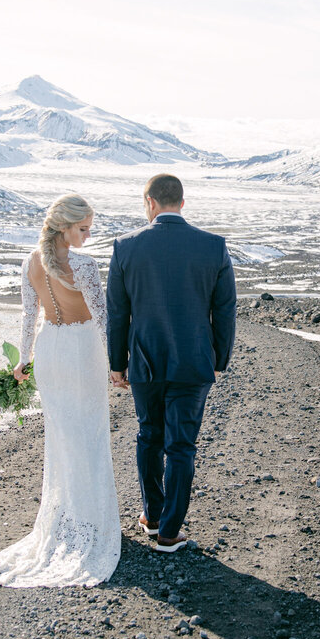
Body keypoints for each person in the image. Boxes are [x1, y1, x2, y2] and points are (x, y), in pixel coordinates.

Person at [0, 194, 120, 587]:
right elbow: (103, 316)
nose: (88, 236)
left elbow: (29, 314)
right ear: (64, 226)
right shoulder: (84, 266)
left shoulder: (30, 261)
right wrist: (116, 365)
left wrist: (23, 359)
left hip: (50, 348)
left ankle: (67, 521)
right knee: (88, 434)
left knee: (62, 437)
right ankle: (90, 524)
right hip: (82, 349)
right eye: (83, 228)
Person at [106, 173, 237, 552]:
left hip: (144, 361)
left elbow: (118, 313)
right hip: (194, 363)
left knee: (149, 434)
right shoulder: (213, 247)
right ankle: (169, 530)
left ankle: (152, 514)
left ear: (149, 203)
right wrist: (219, 359)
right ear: (182, 202)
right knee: (181, 445)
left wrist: (117, 363)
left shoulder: (126, 247)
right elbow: (225, 310)